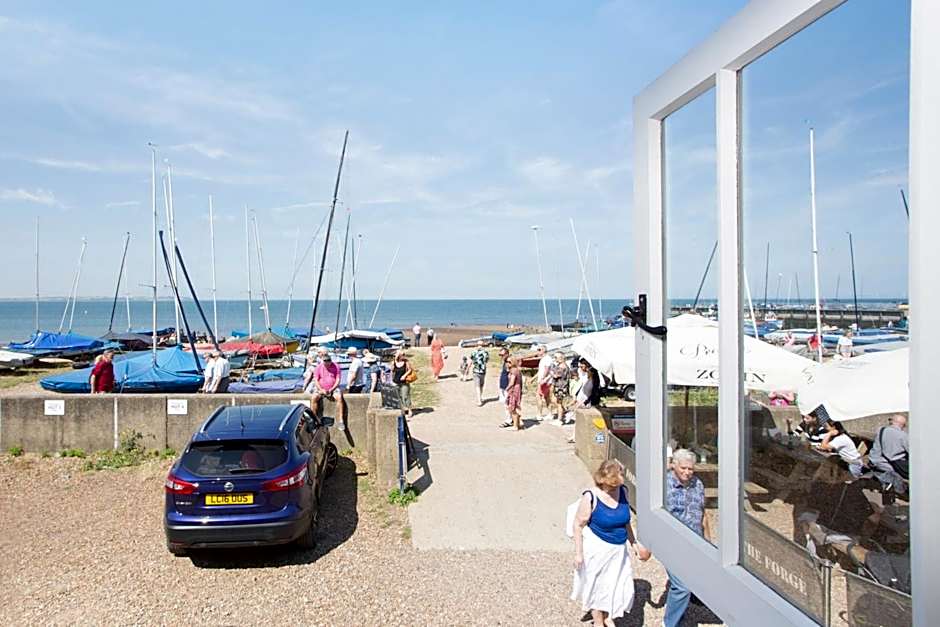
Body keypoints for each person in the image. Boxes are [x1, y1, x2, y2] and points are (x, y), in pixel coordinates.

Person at [572, 459, 651, 627]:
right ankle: (599, 621)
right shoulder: (591, 497)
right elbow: (578, 524)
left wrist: (634, 543)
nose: (615, 489)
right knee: (597, 584)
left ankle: (609, 615)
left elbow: (625, 522)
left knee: (616, 583)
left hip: (618, 549)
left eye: (617, 485)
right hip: (597, 547)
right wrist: (578, 553)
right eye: (611, 486)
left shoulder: (623, 491)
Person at [663, 449, 712, 627]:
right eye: (683, 468)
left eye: (690, 469)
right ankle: (670, 623)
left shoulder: (698, 484)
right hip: (672, 543)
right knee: (681, 587)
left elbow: (702, 513)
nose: (687, 472)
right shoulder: (663, 486)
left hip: (695, 542)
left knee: (693, 581)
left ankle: (683, 610)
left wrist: (708, 541)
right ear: (673, 465)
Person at [868, 413, 909, 492]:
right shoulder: (904, 436)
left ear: (891, 422)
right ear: (903, 425)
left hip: (874, 460)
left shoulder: (881, 430)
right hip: (887, 465)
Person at [311, 351, 345, 430]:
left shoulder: (336, 366)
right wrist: (321, 389)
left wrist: (332, 389)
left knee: (339, 397)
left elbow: (338, 379)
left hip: (333, 388)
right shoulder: (318, 367)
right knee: (314, 398)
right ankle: (313, 419)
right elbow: (316, 380)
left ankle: (341, 420)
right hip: (321, 388)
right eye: (325, 362)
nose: (327, 364)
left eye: (328, 361)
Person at [391, 350, 414, 418]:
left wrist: (404, 375)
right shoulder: (394, 362)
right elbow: (392, 370)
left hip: (404, 382)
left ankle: (409, 410)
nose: (403, 356)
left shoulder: (406, 362)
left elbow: (410, 370)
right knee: (398, 397)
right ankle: (402, 409)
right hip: (396, 381)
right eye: (402, 355)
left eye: (403, 355)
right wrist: (394, 361)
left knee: (405, 396)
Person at [533, 344, 553, 421]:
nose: (538, 351)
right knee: (546, 397)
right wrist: (533, 378)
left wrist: (542, 379)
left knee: (539, 397)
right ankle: (550, 413)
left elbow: (547, 369)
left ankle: (539, 414)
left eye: (539, 350)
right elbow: (540, 371)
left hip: (544, 381)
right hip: (544, 381)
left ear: (544, 350)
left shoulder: (547, 359)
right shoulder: (543, 359)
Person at [550, 351, 571, 423]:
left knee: (559, 403)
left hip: (561, 387)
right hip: (558, 386)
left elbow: (556, 375)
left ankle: (559, 420)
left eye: (556, 357)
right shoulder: (560, 365)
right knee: (555, 401)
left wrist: (551, 372)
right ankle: (564, 412)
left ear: (561, 358)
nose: (555, 359)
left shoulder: (562, 366)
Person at [470, 340, 489, 406]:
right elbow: (486, 361)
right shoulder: (485, 353)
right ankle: (479, 398)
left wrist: (467, 369)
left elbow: (471, 360)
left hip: (476, 370)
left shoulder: (474, 352)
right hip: (482, 371)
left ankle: (479, 399)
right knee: (480, 386)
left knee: (478, 386)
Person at [496, 347, 512, 427]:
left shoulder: (509, 362)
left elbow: (512, 375)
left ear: (507, 354)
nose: (501, 357)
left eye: (502, 355)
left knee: (508, 404)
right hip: (503, 386)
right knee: (505, 404)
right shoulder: (505, 362)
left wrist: (510, 387)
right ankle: (509, 419)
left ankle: (510, 420)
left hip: (507, 386)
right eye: (500, 355)